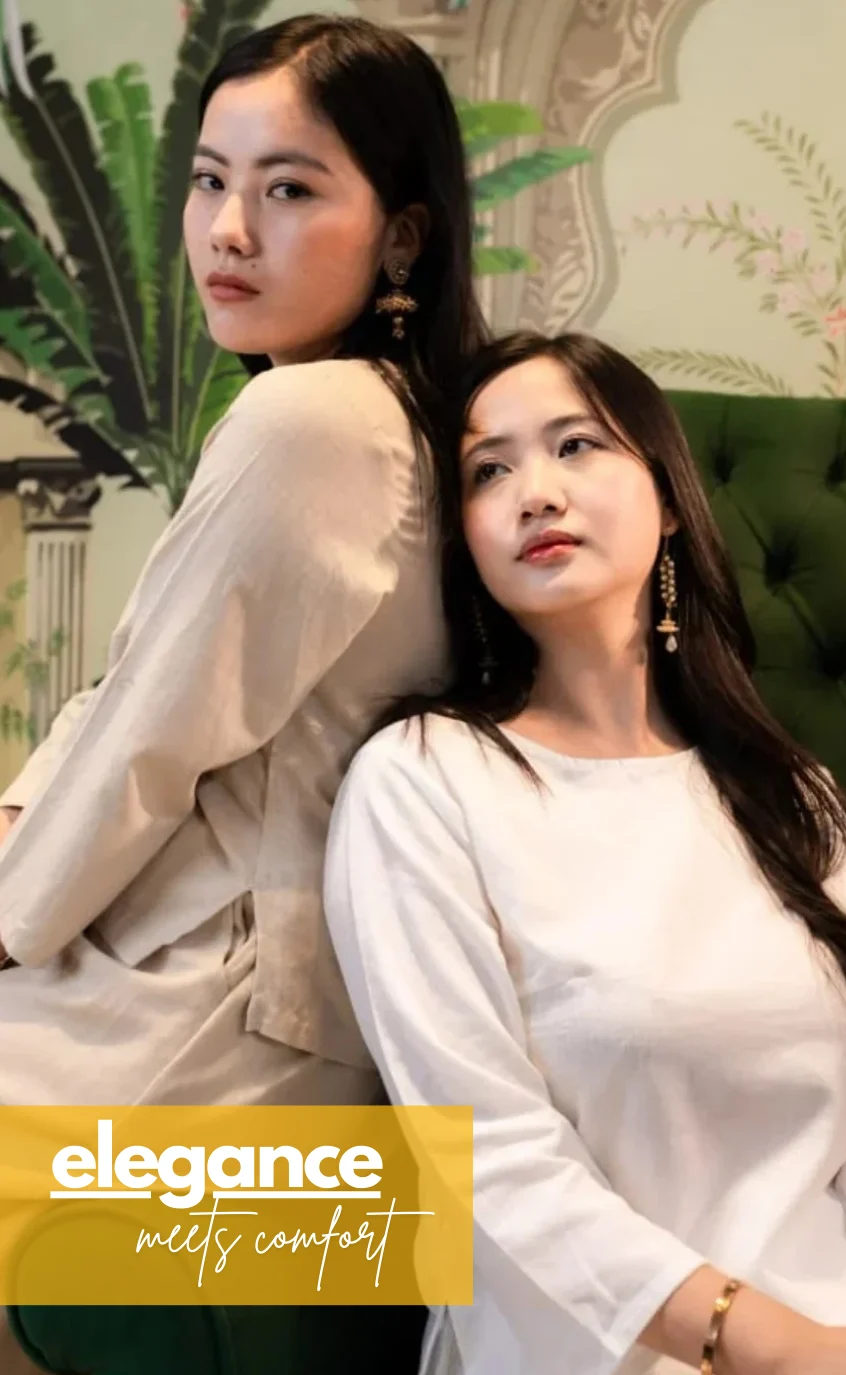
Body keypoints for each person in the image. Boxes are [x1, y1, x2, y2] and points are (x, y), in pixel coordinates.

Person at [323, 332, 846, 1375]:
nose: (535, 493)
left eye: (576, 445)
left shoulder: (790, 795)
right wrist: (778, 1348)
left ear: (668, 497)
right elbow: (489, 1161)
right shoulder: (421, 781)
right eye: (488, 471)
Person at [0, 12, 487, 1110]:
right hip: (258, 981)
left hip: (209, 996)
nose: (228, 229)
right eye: (210, 180)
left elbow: (154, 736)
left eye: (289, 190)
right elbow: (140, 686)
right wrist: (23, 819)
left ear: (402, 237)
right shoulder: (396, 411)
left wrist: (9, 913)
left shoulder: (314, 419)